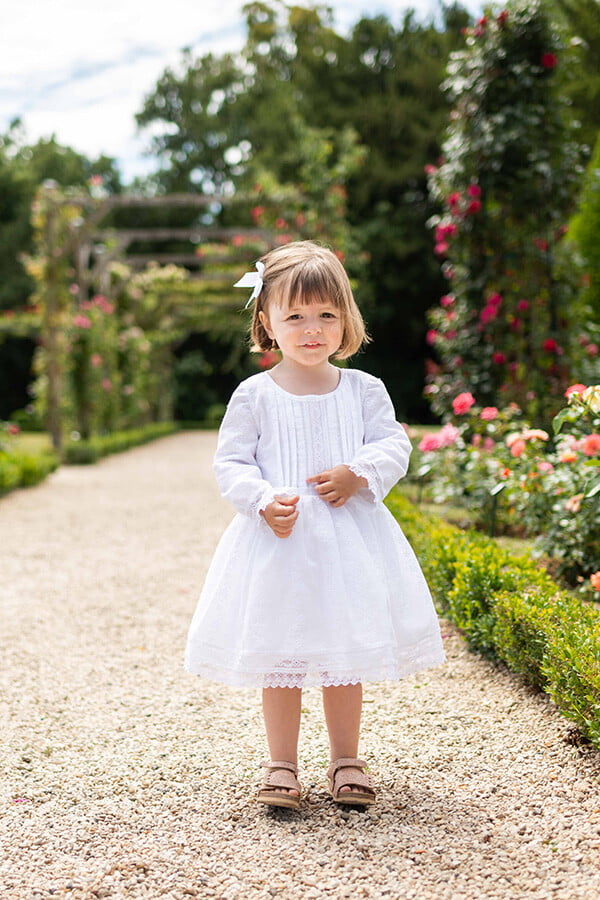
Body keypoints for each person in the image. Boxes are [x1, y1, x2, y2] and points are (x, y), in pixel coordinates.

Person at [185, 240, 445, 809]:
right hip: (281, 541)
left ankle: (345, 758)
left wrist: (359, 472)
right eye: (295, 316)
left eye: (326, 315)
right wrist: (259, 500)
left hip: (347, 543)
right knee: (280, 656)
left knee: (341, 649)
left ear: (346, 319)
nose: (311, 328)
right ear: (267, 322)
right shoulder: (254, 395)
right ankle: (281, 764)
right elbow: (231, 462)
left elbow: (393, 444)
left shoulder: (362, 389)